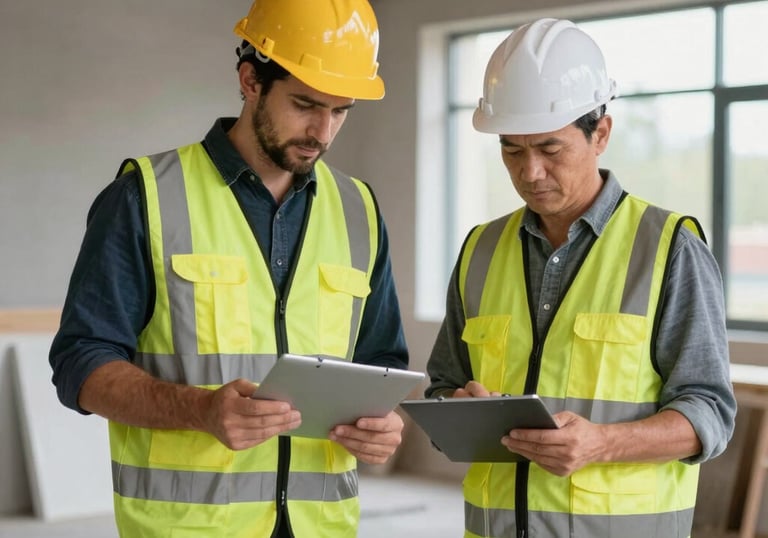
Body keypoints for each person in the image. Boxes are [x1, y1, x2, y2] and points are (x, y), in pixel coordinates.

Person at [48, 1, 409, 537]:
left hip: (322, 525)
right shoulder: (146, 195)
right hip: (190, 527)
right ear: (250, 81)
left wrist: (383, 424)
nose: (322, 131)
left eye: (341, 110)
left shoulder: (359, 209)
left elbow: (380, 359)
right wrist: (199, 409)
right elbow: (80, 362)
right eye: (305, 104)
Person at [424, 17, 736, 538]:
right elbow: (441, 389)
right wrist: (457, 412)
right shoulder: (480, 250)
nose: (530, 172)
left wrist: (602, 443)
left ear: (601, 134)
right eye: (511, 149)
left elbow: (709, 413)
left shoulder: (669, 247)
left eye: (549, 149)